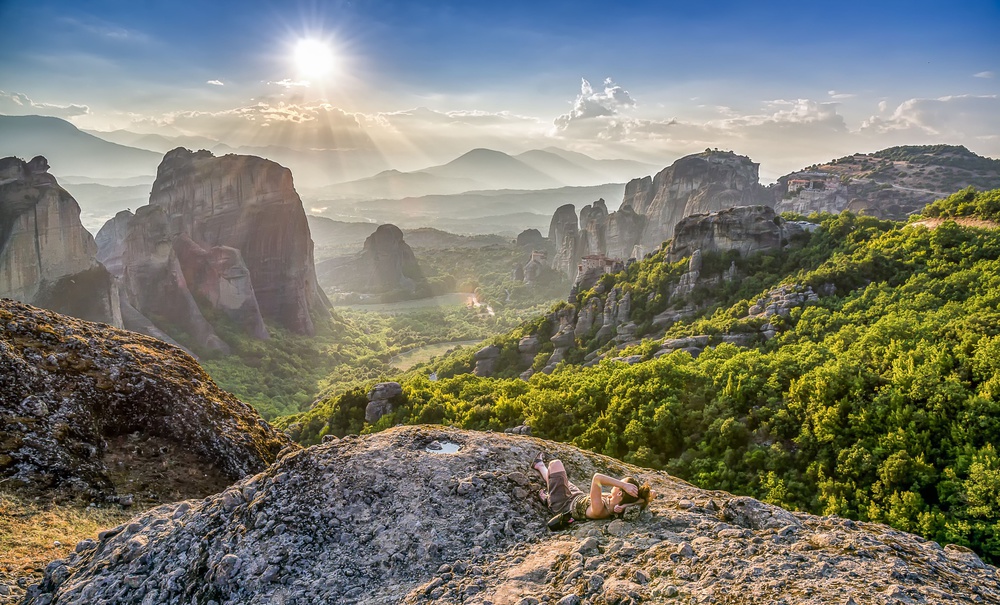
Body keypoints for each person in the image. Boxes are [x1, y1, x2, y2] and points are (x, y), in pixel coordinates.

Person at [530, 452, 653, 522]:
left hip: (562, 504)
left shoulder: (600, 509)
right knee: (559, 478)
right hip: (576, 495)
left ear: (620, 493)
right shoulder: (616, 504)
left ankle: (549, 499)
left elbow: (597, 478)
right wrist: (625, 505)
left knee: (555, 464)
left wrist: (623, 485)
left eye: (619, 483)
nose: (618, 483)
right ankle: (539, 466)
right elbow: (651, 494)